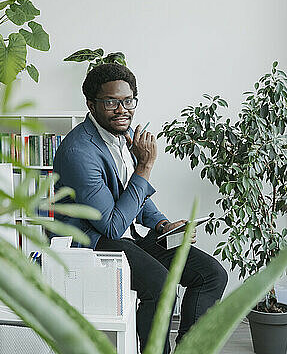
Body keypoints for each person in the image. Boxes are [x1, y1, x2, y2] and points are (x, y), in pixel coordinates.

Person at [53, 63, 227, 353]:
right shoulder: (78, 152)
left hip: (129, 235)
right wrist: (145, 165)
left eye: (128, 100)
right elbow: (111, 225)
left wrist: (161, 225)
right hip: (92, 241)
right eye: (111, 102)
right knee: (160, 286)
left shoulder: (126, 136)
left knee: (211, 275)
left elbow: (135, 196)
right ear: (91, 105)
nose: (122, 110)